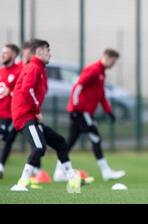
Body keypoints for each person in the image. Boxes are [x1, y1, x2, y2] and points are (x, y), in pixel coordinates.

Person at [10, 39, 81, 193]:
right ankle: (21, 184)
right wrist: (36, 110)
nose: (50, 54)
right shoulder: (34, 68)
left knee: (60, 142)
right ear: (40, 51)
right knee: (39, 147)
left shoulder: (39, 68)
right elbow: (27, 90)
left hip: (31, 116)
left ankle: (72, 179)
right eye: (48, 50)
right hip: (25, 117)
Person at [53, 49, 125, 182]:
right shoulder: (94, 70)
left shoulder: (102, 73)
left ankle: (59, 172)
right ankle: (106, 171)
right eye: (113, 62)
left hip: (83, 111)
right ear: (107, 57)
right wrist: (74, 107)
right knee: (95, 137)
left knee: (70, 142)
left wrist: (108, 111)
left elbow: (101, 95)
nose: (113, 65)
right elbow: (78, 86)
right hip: (80, 111)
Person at [0, 44, 23, 178]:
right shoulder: (1, 71)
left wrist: (12, 92)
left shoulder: (19, 71)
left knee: (8, 139)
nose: (3, 55)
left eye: (6, 53)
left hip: (10, 115)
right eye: (3, 52)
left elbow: (23, 92)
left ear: (14, 55)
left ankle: (35, 168)